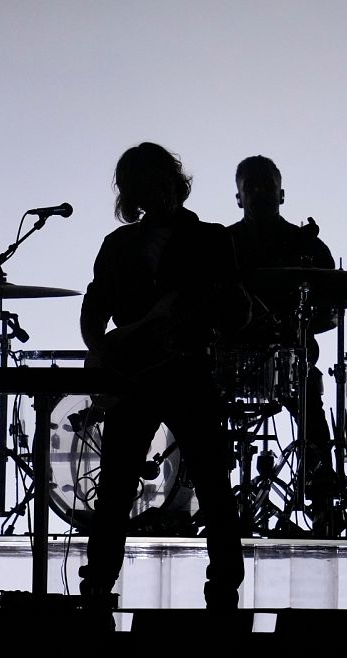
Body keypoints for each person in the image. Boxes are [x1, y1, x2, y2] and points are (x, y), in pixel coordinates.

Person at [78, 142, 249, 610]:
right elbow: (94, 312)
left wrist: (233, 304)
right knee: (115, 488)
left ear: (175, 182)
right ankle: (97, 585)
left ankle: (223, 590)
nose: (157, 190)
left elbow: (234, 315)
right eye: (144, 184)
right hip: (131, 378)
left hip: (189, 371)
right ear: (133, 194)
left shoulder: (212, 239)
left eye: (162, 179)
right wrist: (104, 351)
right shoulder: (117, 245)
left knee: (214, 484)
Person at [225, 155, 339, 535]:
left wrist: (303, 325)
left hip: (291, 361)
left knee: (311, 406)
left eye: (266, 186)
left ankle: (322, 498)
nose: (259, 193)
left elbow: (332, 311)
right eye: (250, 187)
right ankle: (196, 495)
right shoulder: (222, 245)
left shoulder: (307, 246)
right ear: (238, 197)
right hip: (229, 362)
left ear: (282, 193)